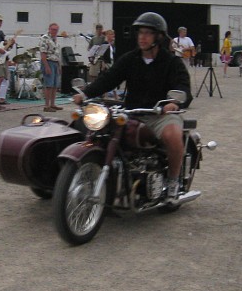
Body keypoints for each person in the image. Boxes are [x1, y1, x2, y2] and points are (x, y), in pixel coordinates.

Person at [73, 12, 192, 202]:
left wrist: (174, 102)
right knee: (99, 131)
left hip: (159, 114)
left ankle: (172, 182)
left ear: (159, 37)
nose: (142, 37)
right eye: (140, 33)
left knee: (172, 135)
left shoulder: (172, 62)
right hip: (131, 113)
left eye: (147, 33)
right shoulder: (130, 59)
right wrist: (85, 94)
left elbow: (183, 87)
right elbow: (108, 79)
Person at [39, 22, 62, 112]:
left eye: (56, 30)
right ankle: (46, 105)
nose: (54, 31)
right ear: (49, 29)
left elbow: (57, 54)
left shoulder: (55, 39)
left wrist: (59, 66)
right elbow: (43, 53)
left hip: (55, 62)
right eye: (53, 29)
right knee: (48, 84)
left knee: (55, 84)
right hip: (48, 62)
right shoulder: (45, 39)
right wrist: (46, 66)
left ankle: (52, 104)